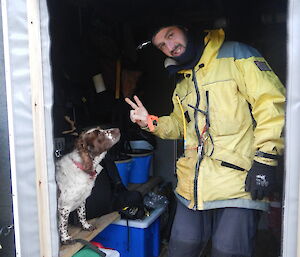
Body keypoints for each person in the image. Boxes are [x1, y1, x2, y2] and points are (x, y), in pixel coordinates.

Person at [125, 25, 285, 257]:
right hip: (192, 186)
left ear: (186, 29)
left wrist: (266, 159)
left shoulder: (236, 55)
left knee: (227, 250)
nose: (170, 47)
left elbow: (271, 103)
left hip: (238, 182)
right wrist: (149, 122)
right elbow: (181, 125)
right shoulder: (182, 81)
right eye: (161, 45)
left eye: (171, 35)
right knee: (181, 247)